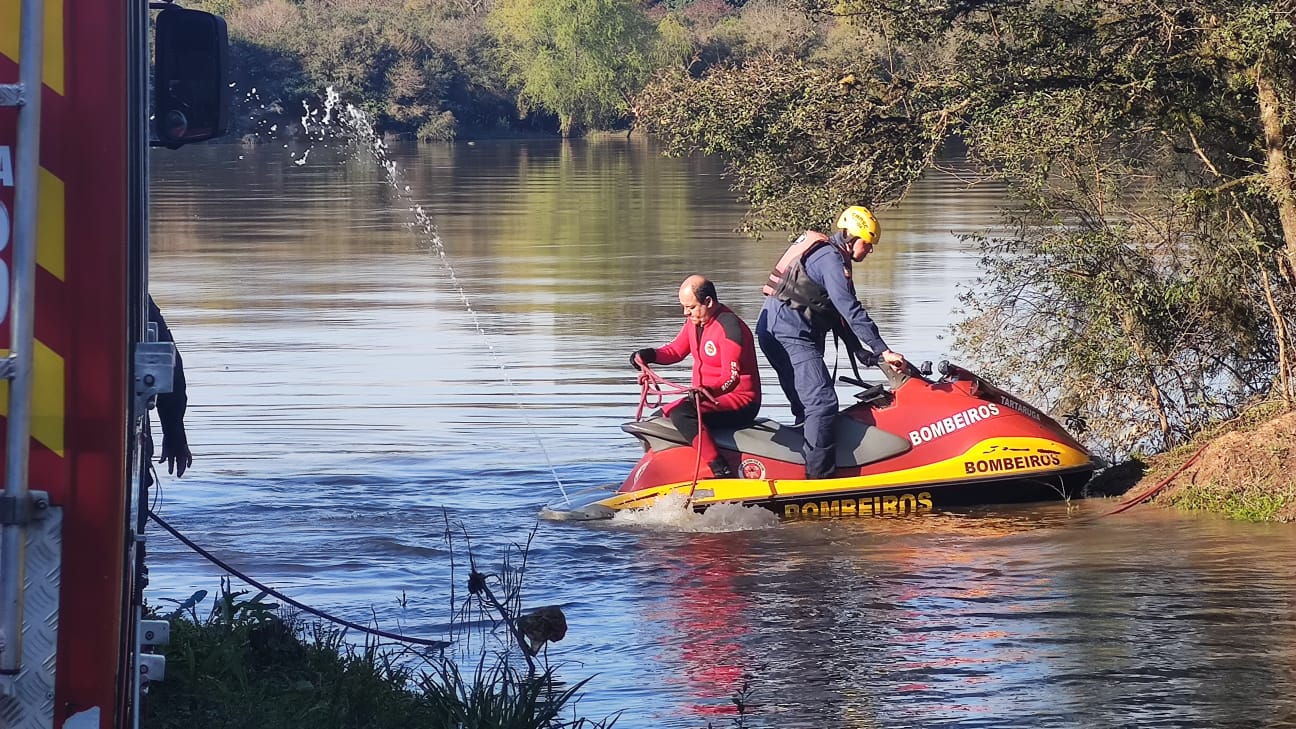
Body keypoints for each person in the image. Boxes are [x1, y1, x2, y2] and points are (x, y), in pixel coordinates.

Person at [756, 205, 906, 480]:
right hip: (791, 333)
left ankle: (799, 466)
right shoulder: (831, 260)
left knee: (806, 407)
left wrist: (864, 353)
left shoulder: (829, 257)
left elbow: (838, 315)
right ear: (852, 238)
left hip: (774, 329)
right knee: (822, 403)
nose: (869, 250)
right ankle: (819, 480)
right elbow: (849, 308)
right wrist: (883, 350)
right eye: (868, 243)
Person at [630, 275, 761, 479]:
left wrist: (709, 391)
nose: (685, 312)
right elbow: (675, 351)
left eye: (690, 307)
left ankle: (721, 469)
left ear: (708, 302)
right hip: (705, 398)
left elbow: (731, 377)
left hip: (740, 401)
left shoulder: (730, 328)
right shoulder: (695, 322)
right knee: (656, 420)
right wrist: (649, 355)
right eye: (684, 307)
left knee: (682, 414)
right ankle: (666, 472)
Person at [149, 295, 193, 477]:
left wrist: (174, 432)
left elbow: (165, 359)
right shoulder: (124, 290)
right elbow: (166, 361)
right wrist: (174, 434)